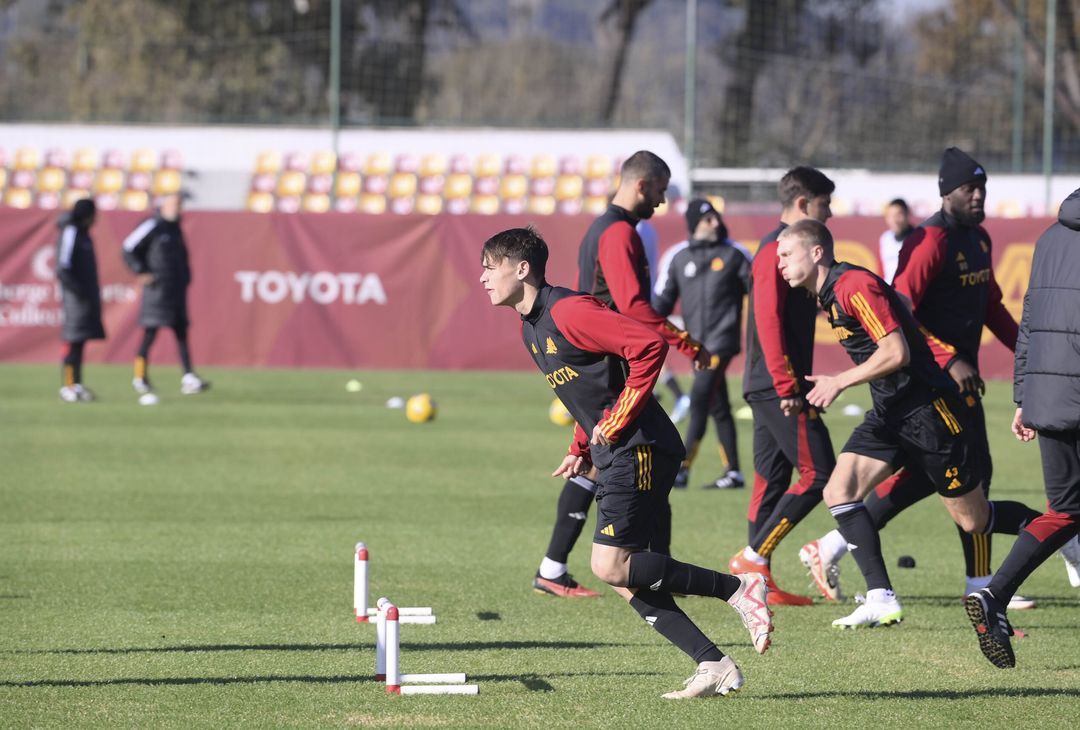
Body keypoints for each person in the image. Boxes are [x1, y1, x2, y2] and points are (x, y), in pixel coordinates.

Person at [480, 226, 771, 698]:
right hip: (616, 448)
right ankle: (713, 663)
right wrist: (579, 448)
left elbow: (648, 347)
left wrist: (616, 421)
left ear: (522, 268)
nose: (483, 278)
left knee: (611, 566)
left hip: (640, 446)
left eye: (490, 267)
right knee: (626, 573)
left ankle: (739, 589)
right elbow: (593, 392)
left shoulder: (570, 309)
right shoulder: (530, 328)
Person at [801, 149, 1038, 610]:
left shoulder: (981, 240)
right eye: (969, 189)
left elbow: (992, 307)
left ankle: (835, 547)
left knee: (932, 480)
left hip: (948, 386)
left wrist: (1025, 351)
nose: (978, 196)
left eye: (982, 188)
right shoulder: (929, 241)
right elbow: (901, 310)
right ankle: (985, 578)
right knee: (970, 480)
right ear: (946, 193)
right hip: (932, 383)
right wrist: (949, 358)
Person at [531, 151, 710, 598]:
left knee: (596, 463)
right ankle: (653, 572)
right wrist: (685, 341)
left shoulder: (605, 229)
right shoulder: (618, 232)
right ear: (643, 185)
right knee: (643, 459)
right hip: (612, 358)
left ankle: (555, 568)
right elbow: (630, 307)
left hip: (602, 357)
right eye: (662, 190)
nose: (664, 202)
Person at [966, 187, 1080, 668]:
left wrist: (1023, 397)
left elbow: (1029, 319)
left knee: (1065, 511)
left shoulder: (1052, 236)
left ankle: (995, 595)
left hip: (1051, 397)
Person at [728, 167, 837, 606]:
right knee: (821, 473)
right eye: (826, 204)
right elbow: (766, 319)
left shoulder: (791, 251)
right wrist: (786, 384)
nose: (830, 213)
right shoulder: (776, 249)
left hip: (771, 382)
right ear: (805, 204)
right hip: (778, 385)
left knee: (771, 477)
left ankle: (757, 584)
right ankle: (754, 557)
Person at [654, 199, 751, 490]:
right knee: (718, 406)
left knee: (699, 398)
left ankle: (681, 469)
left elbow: (760, 294)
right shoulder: (678, 256)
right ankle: (734, 472)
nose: (715, 223)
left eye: (716, 218)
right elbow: (661, 303)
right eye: (708, 219)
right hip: (696, 346)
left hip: (722, 342)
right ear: (694, 223)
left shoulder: (735, 254)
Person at [122, 191, 209, 403]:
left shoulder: (175, 228)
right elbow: (128, 248)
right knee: (150, 333)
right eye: (174, 205)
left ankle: (188, 376)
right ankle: (139, 376)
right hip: (157, 290)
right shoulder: (152, 225)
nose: (178, 209)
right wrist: (140, 271)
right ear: (163, 206)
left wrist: (185, 277)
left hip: (175, 290)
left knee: (181, 333)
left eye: (180, 205)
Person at [55, 198, 104, 403]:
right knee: (73, 341)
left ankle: (77, 383)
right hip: (75, 298)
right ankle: (68, 385)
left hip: (85, 298)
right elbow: (62, 268)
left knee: (80, 342)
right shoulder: (71, 232)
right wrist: (78, 291)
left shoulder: (84, 234)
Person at [645, 218, 691, 422]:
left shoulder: (629, 228)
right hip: (648, 299)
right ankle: (650, 395)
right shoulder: (647, 228)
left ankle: (672, 396)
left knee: (643, 352)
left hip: (639, 301)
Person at [878, 198, 913, 283]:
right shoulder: (885, 239)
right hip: (889, 291)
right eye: (890, 216)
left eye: (898, 215)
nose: (895, 220)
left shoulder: (918, 239)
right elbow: (881, 270)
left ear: (907, 214)